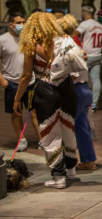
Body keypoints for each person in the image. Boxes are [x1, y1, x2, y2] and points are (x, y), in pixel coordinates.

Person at [15, 12, 88, 189]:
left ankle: (58, 177)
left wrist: (17, 99)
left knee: (49, 133)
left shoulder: (31, 46)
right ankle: (71, 170)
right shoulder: (62, 41)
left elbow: (26, 76)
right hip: (67, 90)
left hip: (46, 92)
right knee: (68, 129)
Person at [56, 15, 98, 171]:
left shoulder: (67, 46)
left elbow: (71, 72)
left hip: (76, 90)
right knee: (82, 126)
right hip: (84, 89)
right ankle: (89, 159)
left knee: (70, 127)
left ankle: (72, 161)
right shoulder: (76, 45)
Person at [0, 12, 39, 152]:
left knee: (34, 111)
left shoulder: (29, 39)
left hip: (29, 82)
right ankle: (21, 139)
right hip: (12, 82)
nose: (22, 25)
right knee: (16, 112)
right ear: (11, 24)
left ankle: (42, 138)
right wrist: (2, 80)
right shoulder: (2, 40)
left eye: (23, 22)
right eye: (19, 22)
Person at [76, 5, 102, 111]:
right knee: (96, 80)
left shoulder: (84, 24)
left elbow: (76, 34)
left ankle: (82, 102)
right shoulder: (99, 25)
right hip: (97, 55)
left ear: (83, 14)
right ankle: (94, 104)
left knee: (80, 79)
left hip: (86, 56)